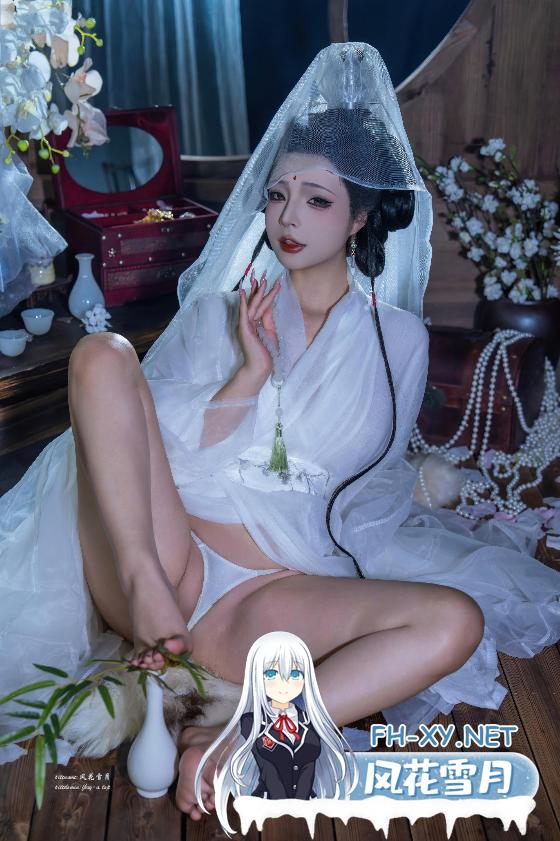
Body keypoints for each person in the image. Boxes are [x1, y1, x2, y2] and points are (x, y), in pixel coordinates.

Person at [0, 44, 559, 823]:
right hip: (167, 561)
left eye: (317, 200)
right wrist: (248, 377)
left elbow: (359, 489)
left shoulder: (397, 339)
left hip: (264, 597)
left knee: (455, 620)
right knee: (100, 353)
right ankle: (147, 603)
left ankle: (243, 733)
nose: (289, 217)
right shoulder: (219, 313)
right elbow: (150, 453)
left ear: (360, 216)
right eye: (277, 195)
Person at [195, 631, 357, 834]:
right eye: (272, 675)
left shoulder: (306, 720)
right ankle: (223, 743)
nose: (285, 684)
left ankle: (214, 741)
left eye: (295, 675)